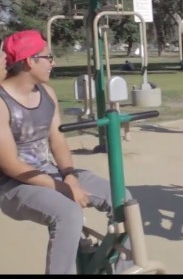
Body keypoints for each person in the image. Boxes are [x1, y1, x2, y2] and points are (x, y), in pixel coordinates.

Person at [0, 30, 133, 274]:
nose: (54, 63)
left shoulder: (47, 93)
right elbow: (10, 164)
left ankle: (124, 268)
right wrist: (64, 188)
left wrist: (70, 175)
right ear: (30, 61)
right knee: (68, 213)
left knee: (122, 199)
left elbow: (57, 140)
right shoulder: (1, 102)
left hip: (50, 173)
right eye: (49, 57)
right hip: (12, 186)